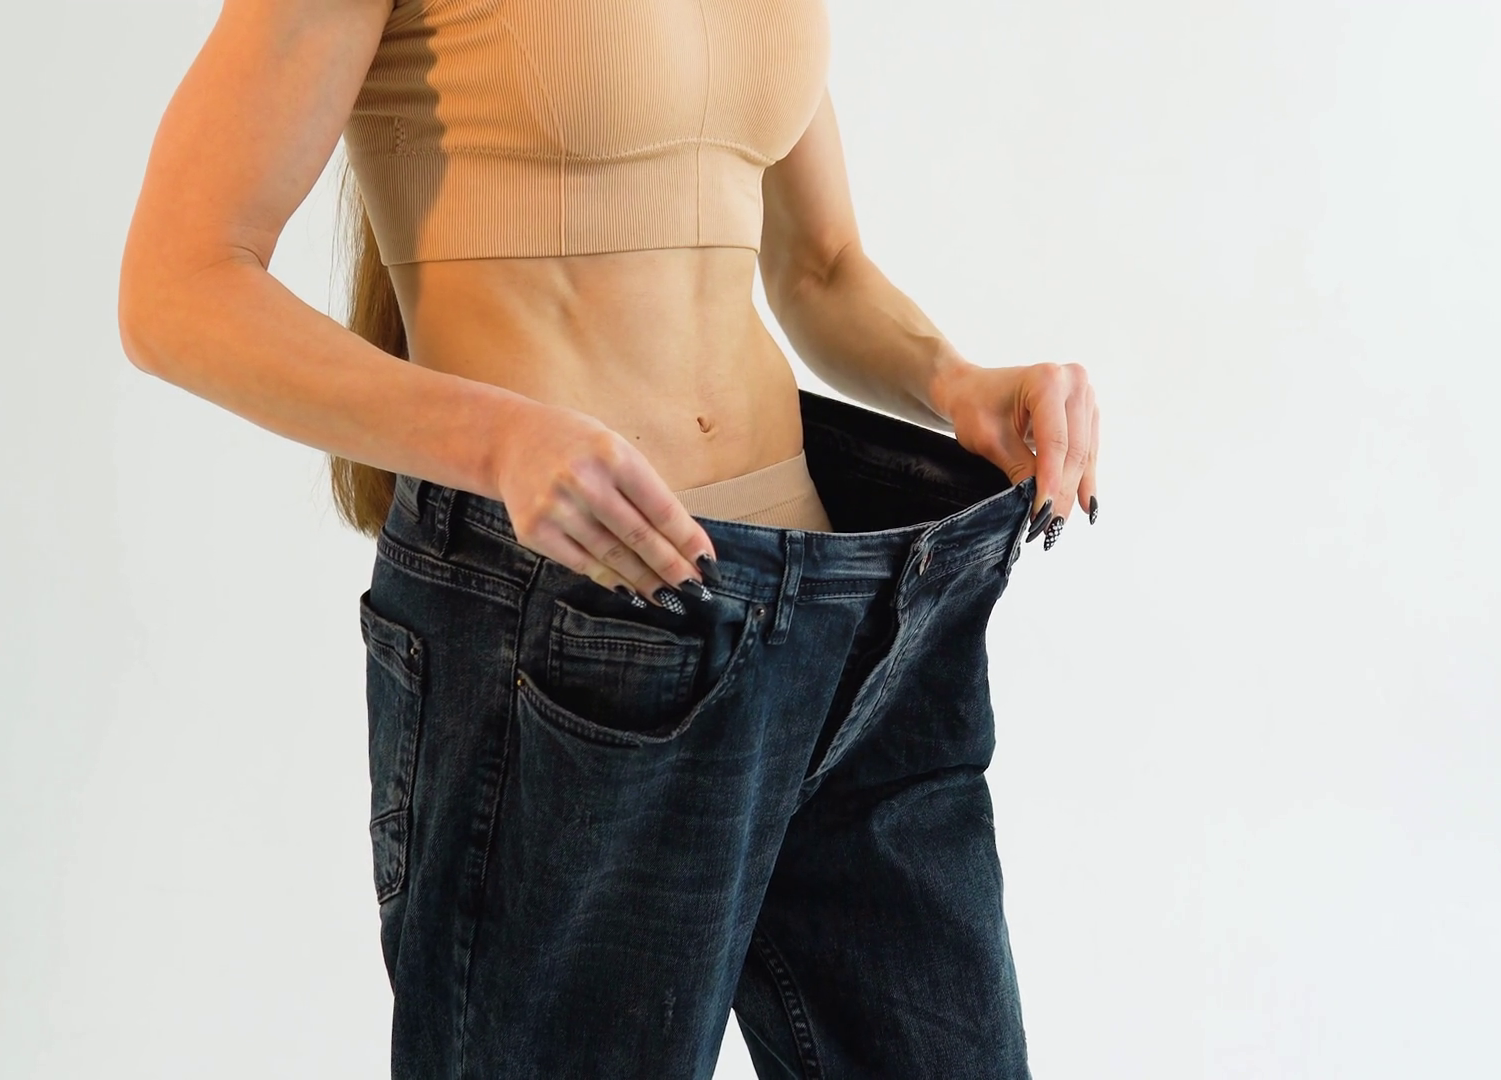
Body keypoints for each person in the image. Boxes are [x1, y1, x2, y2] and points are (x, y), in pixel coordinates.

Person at [117, 1, 1100, 1076]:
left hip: (856, 612)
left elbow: (821, 269)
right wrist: (501, 440)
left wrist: (955, 383)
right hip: (578, 621)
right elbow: (178, 282)